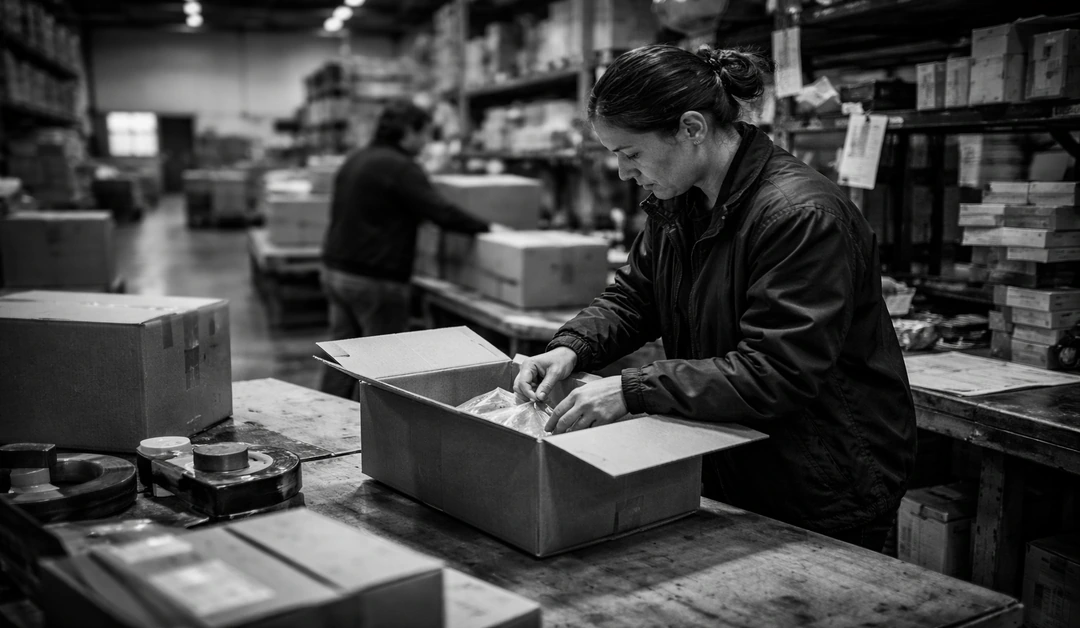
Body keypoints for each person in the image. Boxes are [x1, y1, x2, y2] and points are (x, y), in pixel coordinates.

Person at [513, 45, 917, 551]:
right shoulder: (681, 201)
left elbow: (777, 371)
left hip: (820, 483)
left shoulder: (800, 216)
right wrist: (571, 348)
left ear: (691, 129)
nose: (622, 172)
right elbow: (637, 296)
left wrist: (631, 390)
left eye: (630, 153)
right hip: (734, 460)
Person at [320, 100, 493, 399]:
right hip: (374, 280)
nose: (426, 143)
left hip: (336, 272)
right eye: (424, 134)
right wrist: (486, 228)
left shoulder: (358, 158)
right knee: (383, 364)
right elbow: (439, 211)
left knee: (342, 353)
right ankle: (375, 429)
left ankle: (326, 416)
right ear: (408, 132)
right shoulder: (400, 167)